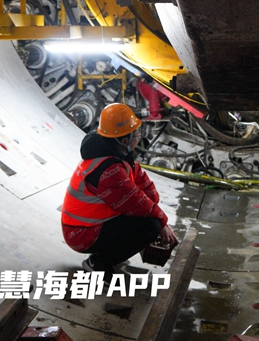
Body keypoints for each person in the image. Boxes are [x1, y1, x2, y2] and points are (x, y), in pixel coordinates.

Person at [61, 103, 178, 277]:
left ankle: (111, 251)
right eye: (137, 134)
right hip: (81, 234)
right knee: (150, 227)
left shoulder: (118, 155)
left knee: (150, 218)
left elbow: (143, 184)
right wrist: (161, 222)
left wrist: (156, 209)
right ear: (124, 141)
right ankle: (97, 262)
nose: (139, 137)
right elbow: (135, 202)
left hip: (91, 225)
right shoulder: (108, 171)